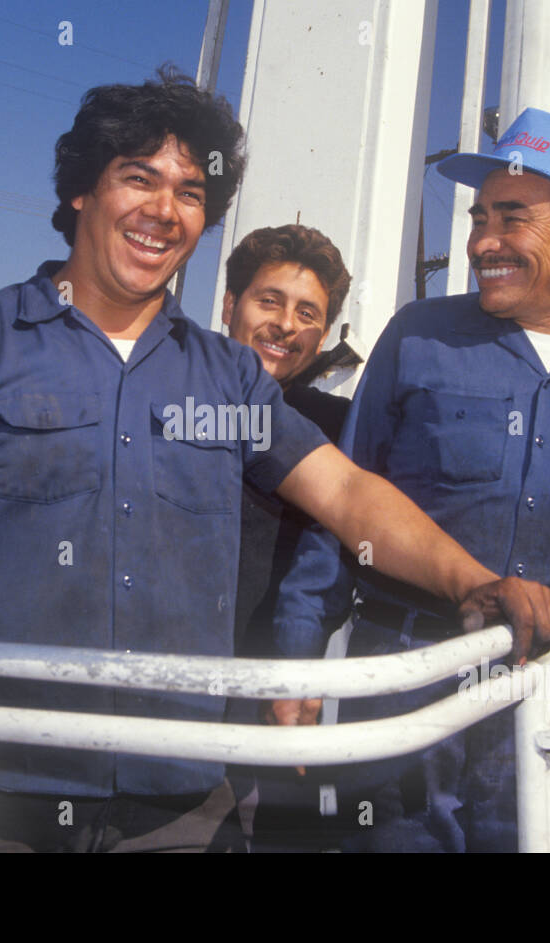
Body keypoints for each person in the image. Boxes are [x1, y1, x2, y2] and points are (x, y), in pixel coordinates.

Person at [0, 71, 550, 853]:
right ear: (83, 191)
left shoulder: (227, 377)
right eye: (139, 178)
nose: (164, 209)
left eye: (191, 191)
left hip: (180, 802)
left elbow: (350, 494)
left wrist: (473, 580)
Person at [272, 107, 550, 852]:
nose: (481, 242)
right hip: (407, 680)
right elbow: (341, 505)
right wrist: (296, 656)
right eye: (479, 217)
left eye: (513, 218)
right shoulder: (418, 338)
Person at [219, 224, 353, 850]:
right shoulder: (159, 403)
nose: (285, 325)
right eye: (267, 301)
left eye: (308, 314)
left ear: (323, 336)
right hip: (159, 692)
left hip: (280, 701)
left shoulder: (340, 432)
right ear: (229, 306)